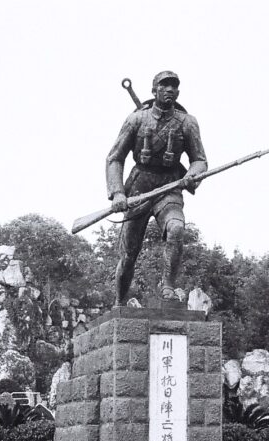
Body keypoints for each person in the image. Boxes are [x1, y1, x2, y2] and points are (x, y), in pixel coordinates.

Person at [105, 70, 208, 306]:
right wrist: (118, 192)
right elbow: (115, 158)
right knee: (129, 254)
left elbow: (200, 159)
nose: (169, 90)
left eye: (174, 86)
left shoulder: (188, 123)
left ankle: (168, 286)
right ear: (155, 91)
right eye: (164, 86)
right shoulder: (136, 120)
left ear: (178, 92)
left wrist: (192, 175)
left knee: (176, 229)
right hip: (140, 188)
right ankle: (119, 301)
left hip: (170, 186)